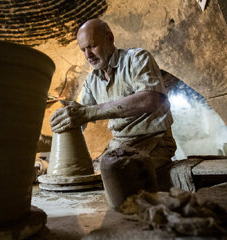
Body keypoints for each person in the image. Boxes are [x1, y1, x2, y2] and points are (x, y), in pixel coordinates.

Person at [50, 18, 177, 209]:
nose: (88, 55)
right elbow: (80, 116)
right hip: (119, 145)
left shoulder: (137, 59)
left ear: (110, 38)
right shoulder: (92, 80)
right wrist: (68, 119)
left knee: (115, 175)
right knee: (87, 175)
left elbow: (150, 99)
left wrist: (89, 112)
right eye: (83, 50)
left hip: (155, 140)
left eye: (92, 46)